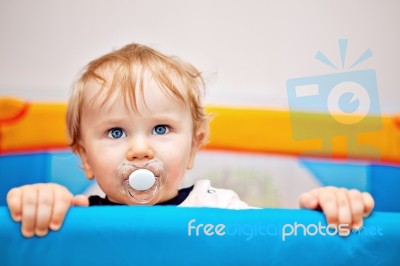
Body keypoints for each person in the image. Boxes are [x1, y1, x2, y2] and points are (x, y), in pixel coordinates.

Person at [6, 43, 375, 238]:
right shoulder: (74, 216)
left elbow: (280, 242)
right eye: (116, 132)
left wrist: (328, 211)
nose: (139, 149)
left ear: (194, 146)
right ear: (85, 158)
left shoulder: (220, 209)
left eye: (161, 129)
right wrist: (39, 203)